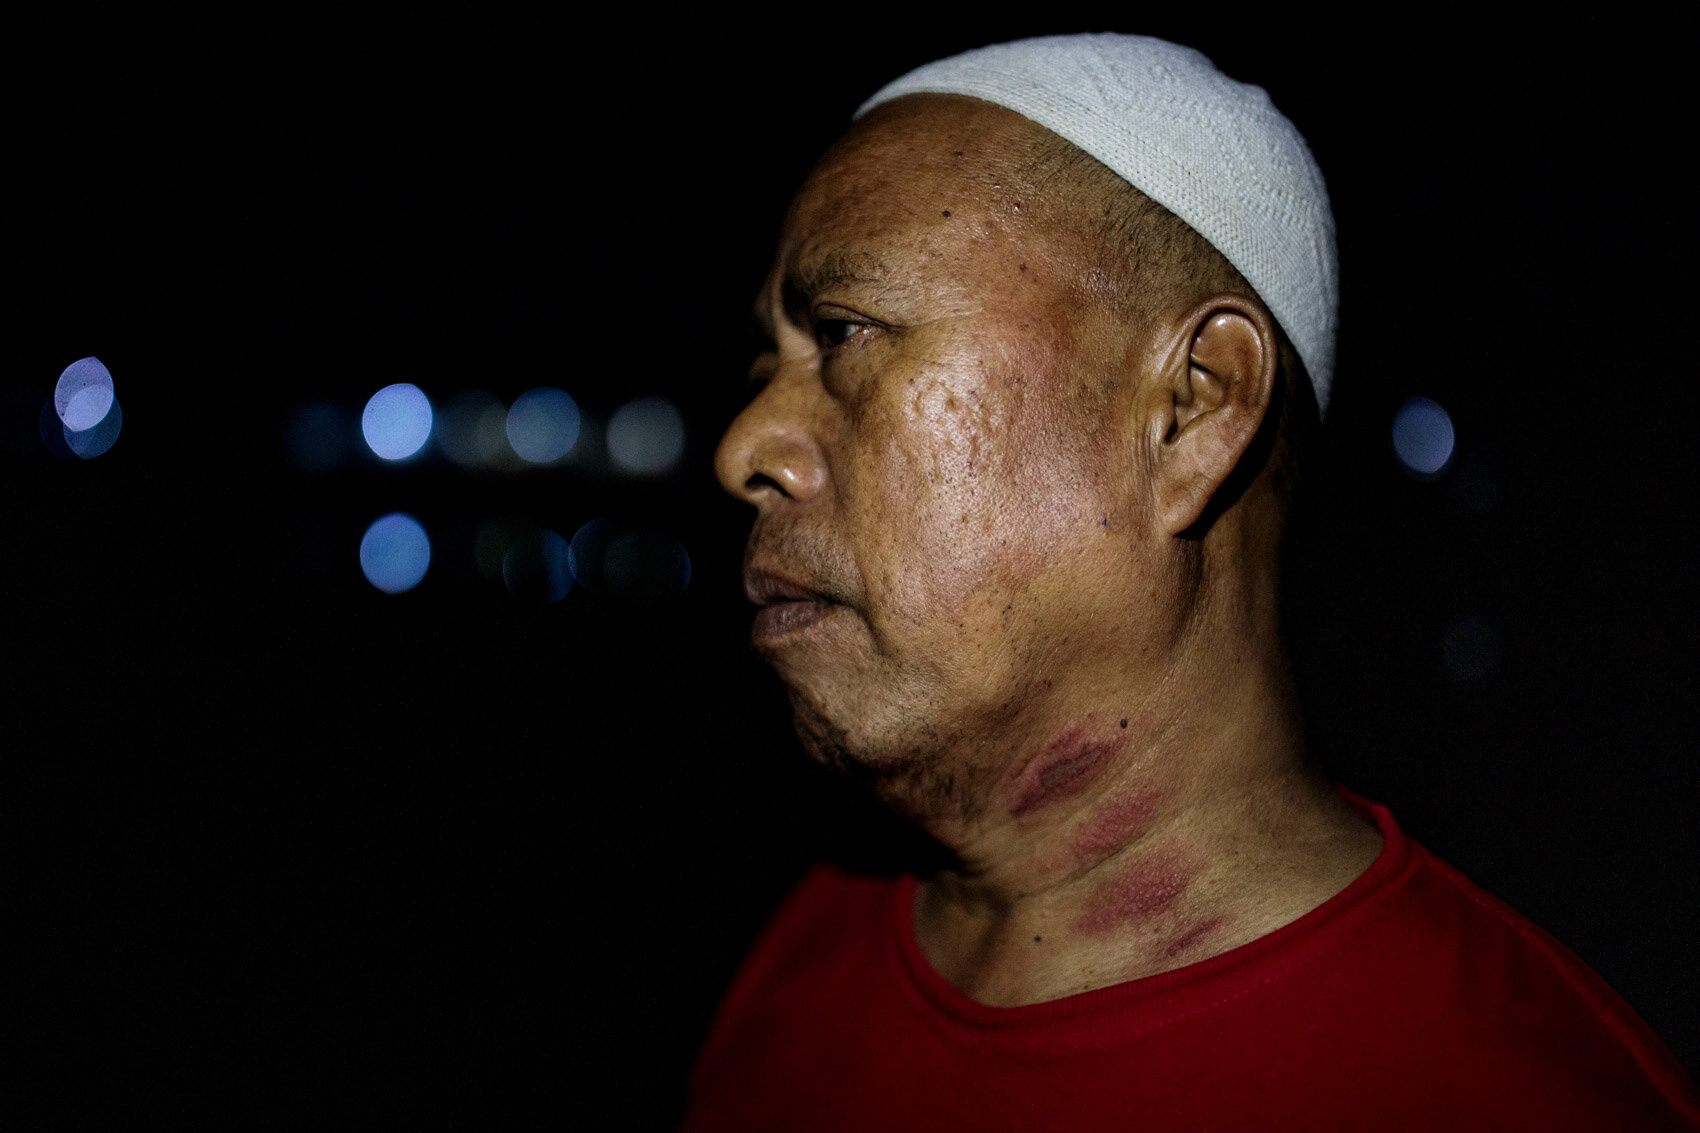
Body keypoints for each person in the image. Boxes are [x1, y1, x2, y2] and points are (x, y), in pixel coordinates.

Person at [685, 34, 1698, 1131]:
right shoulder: (802, 954)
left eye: (844, 334)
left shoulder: (1508, 1092)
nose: (744, 445)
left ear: (1193, 408)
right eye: (761, 369)